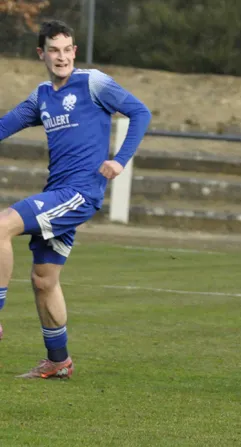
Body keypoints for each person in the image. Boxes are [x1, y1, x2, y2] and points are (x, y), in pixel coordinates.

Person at [0, 20, 151, 378]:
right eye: (54, 50)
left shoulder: (93, 82)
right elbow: (4, 125)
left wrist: (120, 160)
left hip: (80, 193)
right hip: (57, 193)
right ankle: (59, 361)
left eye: (67, 49)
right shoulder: (41, 96)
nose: (62, 56)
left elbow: (140, 112)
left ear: (75, 52)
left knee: (2, 224)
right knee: (44, 279)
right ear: (41, 53)